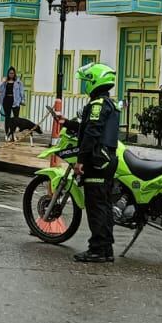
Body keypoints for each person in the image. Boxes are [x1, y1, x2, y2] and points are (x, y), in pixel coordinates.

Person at [72, 61, 121, 264]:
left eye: (86, 82)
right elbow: (89, 128)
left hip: (97, 160)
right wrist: (66, 122)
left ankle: (98, 249)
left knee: (96, 206)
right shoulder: (110, 104)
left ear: (94, 82)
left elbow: (92, 133)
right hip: (108, 158)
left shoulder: (97, 105)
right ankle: (105, 248)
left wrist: (81, 160)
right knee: (104, 205)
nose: (84, 86)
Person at [0, 68, 25, 140]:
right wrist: (3, 82)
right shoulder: (5, 82)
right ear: (8, 74)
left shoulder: (18, 82)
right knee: (7, 118)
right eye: (10, 73)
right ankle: (7, 134)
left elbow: (22, 92)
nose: (11, 74)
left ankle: (13, 134)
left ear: (14, 74)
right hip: (6, 101)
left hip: (15, 101)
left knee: (16, 119)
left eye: (12, 73)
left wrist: (22, 100)